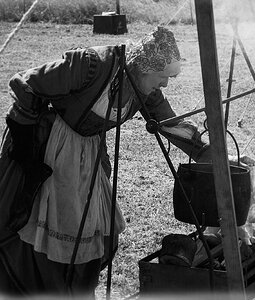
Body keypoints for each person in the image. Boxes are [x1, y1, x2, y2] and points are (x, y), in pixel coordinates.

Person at [0, 26, 212, 298]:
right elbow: (25, 83)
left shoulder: (144, 90)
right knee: (52, 227)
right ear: (145, 68)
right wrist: (27, 150)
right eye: (163, 77)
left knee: (101, 227)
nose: (165, 84)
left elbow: (171, 126)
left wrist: (212, 156)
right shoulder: (90, 65)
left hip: (87, 155)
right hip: (49, 149)